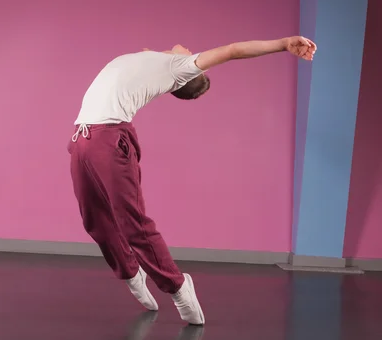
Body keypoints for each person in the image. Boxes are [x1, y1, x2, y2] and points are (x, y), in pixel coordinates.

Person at [68, 37, 317, 325]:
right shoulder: (155, 61)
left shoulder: (180, 67)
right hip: (81, 138)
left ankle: (177, 286)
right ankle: (131, 272)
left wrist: (284, 43)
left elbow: (233, 51)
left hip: (108, 138)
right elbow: (152, 52)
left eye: (192, 58)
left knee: (132, 223)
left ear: (190, 74)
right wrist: (165, 52)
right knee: (94, 219)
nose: (185, 47)